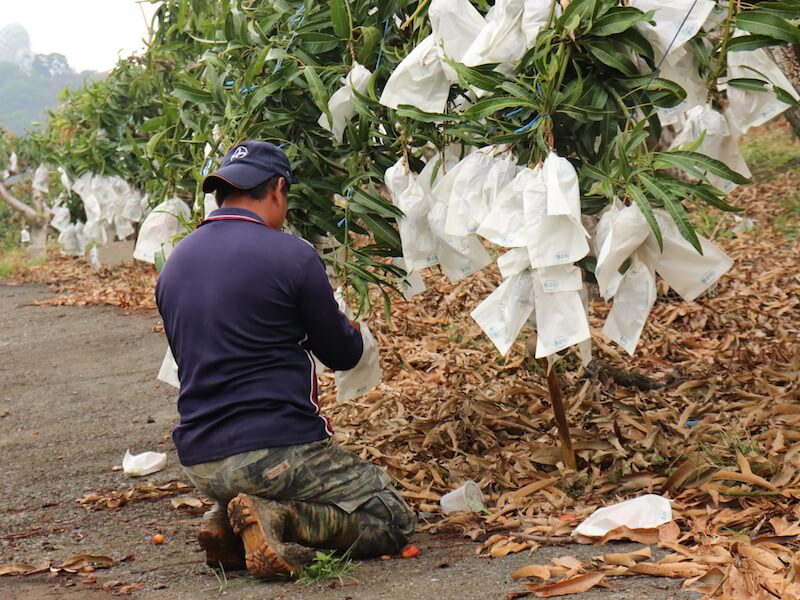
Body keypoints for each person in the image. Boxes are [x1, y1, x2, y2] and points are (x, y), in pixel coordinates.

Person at [155, 141, 416, 579]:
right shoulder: (292, 255)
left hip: (200, 460)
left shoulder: (175, 264)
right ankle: (278, 517)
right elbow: (340, 353)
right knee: (393, 517)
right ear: (278, 189)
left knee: (256, 477)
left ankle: (226, 519)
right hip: (274, 452)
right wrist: (352, 328)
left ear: (221, 193)